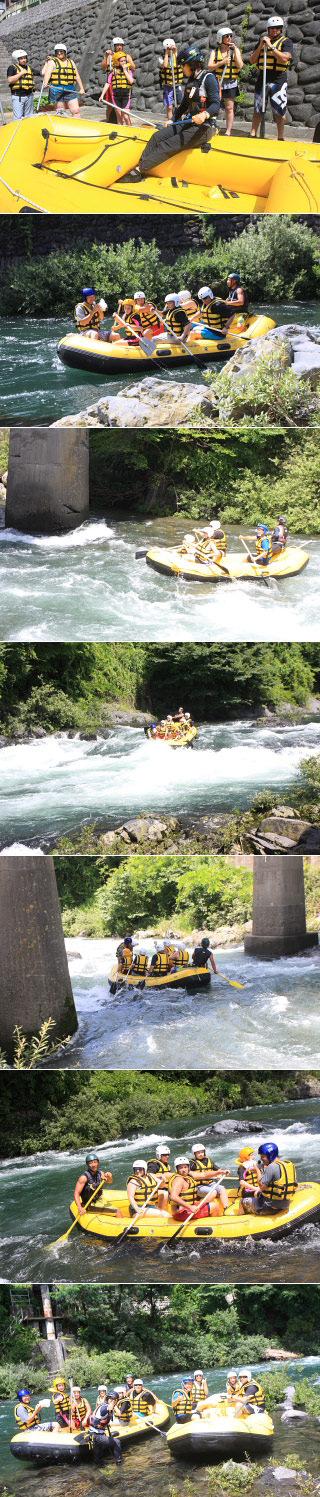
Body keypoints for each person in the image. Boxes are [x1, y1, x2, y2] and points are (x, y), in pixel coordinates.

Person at [131, 46, 220, 178]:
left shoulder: (209, 78)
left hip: (205, 127)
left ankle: (139, 171)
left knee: (168, 144)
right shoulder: (191, 81)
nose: (181, 68)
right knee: (157, 137)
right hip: (189, 122)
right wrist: (172, 120)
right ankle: (142, 164)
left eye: (183, 65)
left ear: (192, 64)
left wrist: (204, 114)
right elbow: (184, 105)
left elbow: (216, 104)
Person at [250, 16, 294, 141]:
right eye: (272, 28)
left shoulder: (286, 42)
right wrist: (261, 46)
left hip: (278, 79)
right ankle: (253, 134)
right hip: (263, 78)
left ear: (281, 29)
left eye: (278, 28)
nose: (275, 30)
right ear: (268, 29)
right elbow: (253, 60)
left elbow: (284, 59)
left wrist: (271, 46)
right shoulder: (262, 41)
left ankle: (280, 137)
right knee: (258, 108)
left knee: (280, 110)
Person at [209, 27, 244, 135]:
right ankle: (212, 126)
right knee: (215, 106)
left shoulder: (235, 50)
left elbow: (240, 65)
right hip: (218, 82)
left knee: (229, 108)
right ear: (221, 38)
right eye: (226, 36)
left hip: (230, 82)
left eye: (230, 36)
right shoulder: (214, 52)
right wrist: (222, 63)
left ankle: (228, 131)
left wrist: (235, 52)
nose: (229, 38)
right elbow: (210, 67)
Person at [246, 1142, 297, 1214]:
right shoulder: (289, 1165)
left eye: (263, 1156)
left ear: (271, 1155)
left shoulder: (272, 1166)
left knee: (243, 1202)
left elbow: (262, 1186)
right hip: (285, 1203)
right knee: (257, 1193)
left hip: (270, 1206)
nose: (262, 1159)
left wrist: (258, 1170)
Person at [43, 45, 85, 116]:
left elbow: (77, 76)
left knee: (76, 110)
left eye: (61, 51)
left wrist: (82, 88)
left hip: (69, 89)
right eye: (57, 52)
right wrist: (46, 82)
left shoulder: (71, 62)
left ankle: (75, 126)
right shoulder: (52, 62)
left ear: (65, 52)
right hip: (57, 90)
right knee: (61, 112)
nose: (59, 53)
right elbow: (47, 73)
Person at [74, 1152, 119, 1217]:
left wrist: (109, 1176)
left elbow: (110, 1181)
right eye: (91, 1163)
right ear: (88, 1165)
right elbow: (76, 1193)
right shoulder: (83, 1178)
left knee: (115, 1210)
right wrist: (79, 1207)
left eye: (95, 1162)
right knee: (117, 1211)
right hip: (89, 1204)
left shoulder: (100, 1173)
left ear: (98, 1162)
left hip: (99, 1200)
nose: (93, 1165)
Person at [100, 41, 134, 124]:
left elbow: (131, 81)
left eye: (124, 61)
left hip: (125, 95)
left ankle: (131, 130)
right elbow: (107, 84)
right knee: (119, 117)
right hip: (116, 96)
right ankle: (120, 132)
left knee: (126, 116)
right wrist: (102, 95)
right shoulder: (113, 73)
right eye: (121, 61)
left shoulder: (128, 71)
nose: (123, 63)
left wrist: (125, 71)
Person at [190, 1142, 229, 1211]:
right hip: (199, 1186)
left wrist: (219, 1174)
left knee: (222, 1189)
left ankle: (226, 1208)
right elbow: (189, 1174)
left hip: (210, 1183)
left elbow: (218, 1169)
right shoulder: (192, 1163)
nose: (200, 1154)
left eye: (202, 1152)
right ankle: (201, 1209)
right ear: (194, 1154)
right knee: (213, 1192)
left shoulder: (208, 1160)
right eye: (198, 1153)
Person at [90, 1390, 122, 1465]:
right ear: (107, 1399)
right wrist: (111, 1406)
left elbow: (118, 1414)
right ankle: (119, 1463)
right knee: (117, 1442)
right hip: (96, 1436)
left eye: (113, 1400)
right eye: (110, 1399)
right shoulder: (104, 1407)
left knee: (99, 1458)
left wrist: (114, 1405)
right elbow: (104, 1410)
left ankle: (99, 1467)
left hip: (97, 1435)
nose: (111, 1401)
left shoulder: (108, 1407)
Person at [159, 40, 184, 121]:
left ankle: (181, 122)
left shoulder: (177, 56)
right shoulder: (161, 58)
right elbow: (165, 65)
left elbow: (178, 64)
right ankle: (170, 123)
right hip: (168, 86)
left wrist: (175, 52)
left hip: (177, 85)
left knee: (180, 105)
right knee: (169, 107)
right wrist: (167, 53)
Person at [7, 50, 36, 118]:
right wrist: (21, 73)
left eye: (25, 58)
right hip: (18, 96)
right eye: (21, 58)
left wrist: (47, 63)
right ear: (17, 60)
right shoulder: (12, 68)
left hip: (29, 95)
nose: (24, 60)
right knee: (18, 117)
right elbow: (10, 80)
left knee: (30, 117)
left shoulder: (29, 68)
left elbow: (42, 73)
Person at [236, 1146, 261, 1215]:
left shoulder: (255, 1166)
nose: (254, 1157)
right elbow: (242, 1182)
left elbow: (261, 1178)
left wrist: (257, 1170)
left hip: (257, 1188)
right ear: (245, 1157)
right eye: (251, 1155)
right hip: (247, 1191)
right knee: (259, 1194)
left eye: (253, 1154)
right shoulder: (242, 1169)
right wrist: (256, 1188)